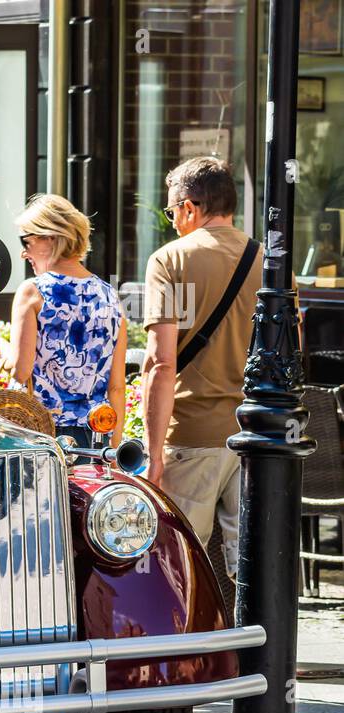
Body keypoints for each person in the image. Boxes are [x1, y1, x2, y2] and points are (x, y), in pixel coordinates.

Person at [141, 157, 261, 580]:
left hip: (191, 434)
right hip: (255, 436)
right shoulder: (267, 262)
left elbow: (160, 362)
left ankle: (190, 647)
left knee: (181, 567)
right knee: (249, 569)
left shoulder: (169, 261)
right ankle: (249, 645)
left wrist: (153, 454)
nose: (172, 220)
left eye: (172, 211)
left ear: (190, 208)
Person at [0, 193, 127, 447]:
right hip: (95, 436)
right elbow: (117, 387)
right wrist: (114, 447)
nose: (24, 253)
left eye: (27, 241)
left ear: (50, 238)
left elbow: (21, 371)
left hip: (41, 434)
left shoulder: (33, 292)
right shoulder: (110, 296)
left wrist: (2, 347)